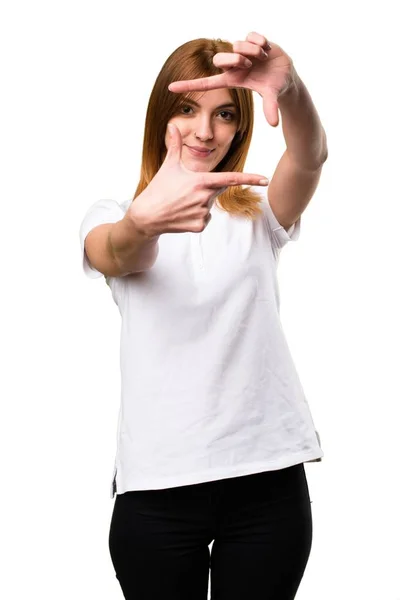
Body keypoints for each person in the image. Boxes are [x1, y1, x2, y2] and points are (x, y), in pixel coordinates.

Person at [79, 31, 327, 600]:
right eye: (187, 110)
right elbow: (117, 251)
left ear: (239, 127)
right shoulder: (117, 213)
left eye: (223, 114)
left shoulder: (258, 212)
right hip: (156, 488)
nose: (204, 130)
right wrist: (144, 222)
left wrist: (290, 90)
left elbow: (310, 157)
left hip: (266, 478)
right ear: (160, 116)